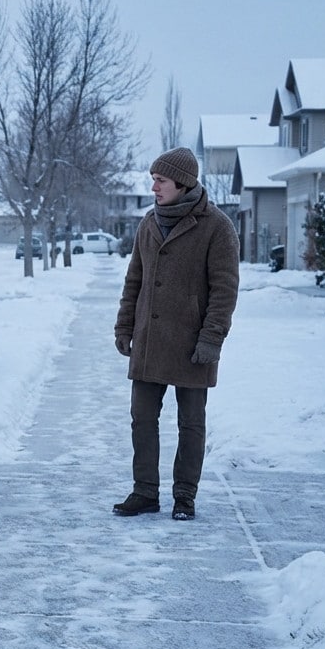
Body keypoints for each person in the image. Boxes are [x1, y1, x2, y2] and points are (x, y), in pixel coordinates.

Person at [112, 147, 239, 521]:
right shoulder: (148, 223)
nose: (153, 187)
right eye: (153, 179)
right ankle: (145, 492)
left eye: (160, 180)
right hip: (150, 341)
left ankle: (185, 495)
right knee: (142, 419)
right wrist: (124, 325)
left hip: (191, 345)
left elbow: (224, 290)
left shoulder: (217, 227)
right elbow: (134, 279)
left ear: (182, 184)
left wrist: (212, 339)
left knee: (191, 424)